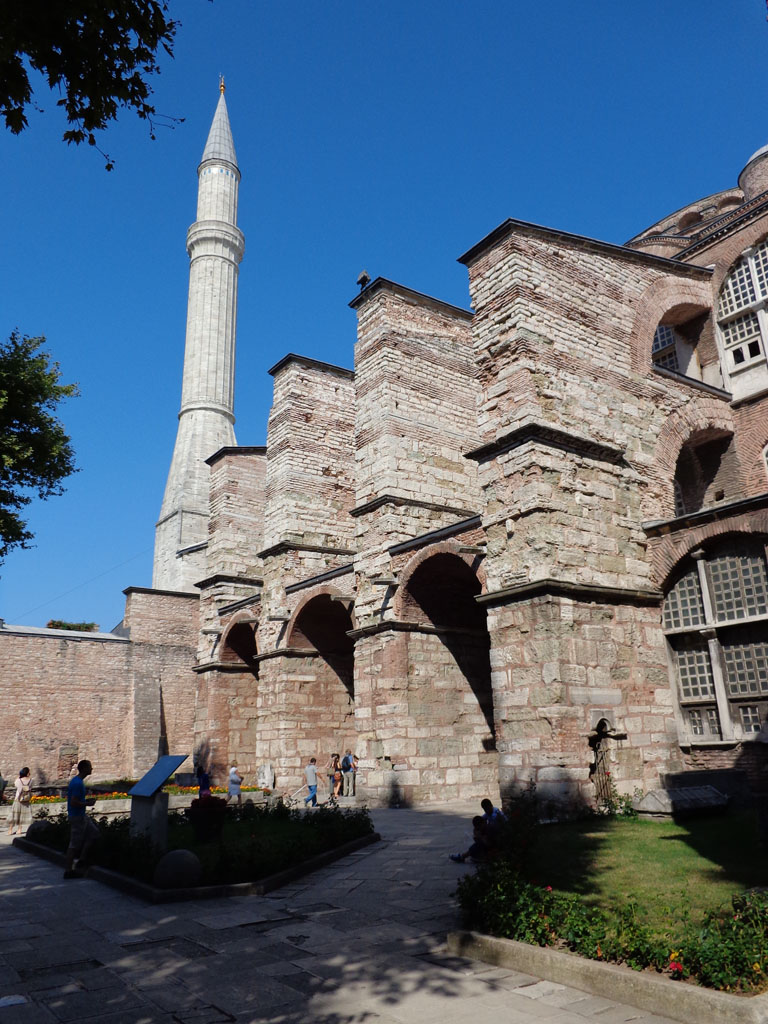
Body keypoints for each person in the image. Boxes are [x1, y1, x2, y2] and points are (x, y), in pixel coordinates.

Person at [63, 760, 99, 878]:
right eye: (90, 767)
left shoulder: (77, 781)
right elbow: (73, 802)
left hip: (81, 815)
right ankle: (68, 871)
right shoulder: (78, 783)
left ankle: (82, 860)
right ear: (84, 769)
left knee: (94, 834)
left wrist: (85, 802)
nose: (91, 769)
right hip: (77, 816)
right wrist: (87, 804)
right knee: (74, 844)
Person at [7, 767, 32, 836]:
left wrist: (18, 777)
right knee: (22, 815)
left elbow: (16, 785)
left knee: (14, 815)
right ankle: (19, 830)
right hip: (26, 799)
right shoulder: (31, 780)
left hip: (18, 799)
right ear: (27, 773)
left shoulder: (18, 780)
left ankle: (10, 830)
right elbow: (30, 788)